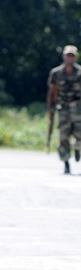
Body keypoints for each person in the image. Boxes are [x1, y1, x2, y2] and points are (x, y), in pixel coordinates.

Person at [47, 45, 81, 174]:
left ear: (75, 57)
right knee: (64, 137)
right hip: (64, 109)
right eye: (68, 55)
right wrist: (50, 109)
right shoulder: (56, 73)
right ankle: (66, 162)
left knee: (80, 135)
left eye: (72, 55)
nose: (70, 58)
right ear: (64, 56)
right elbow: (52, 92)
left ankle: (77, 148)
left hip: (78, 108)